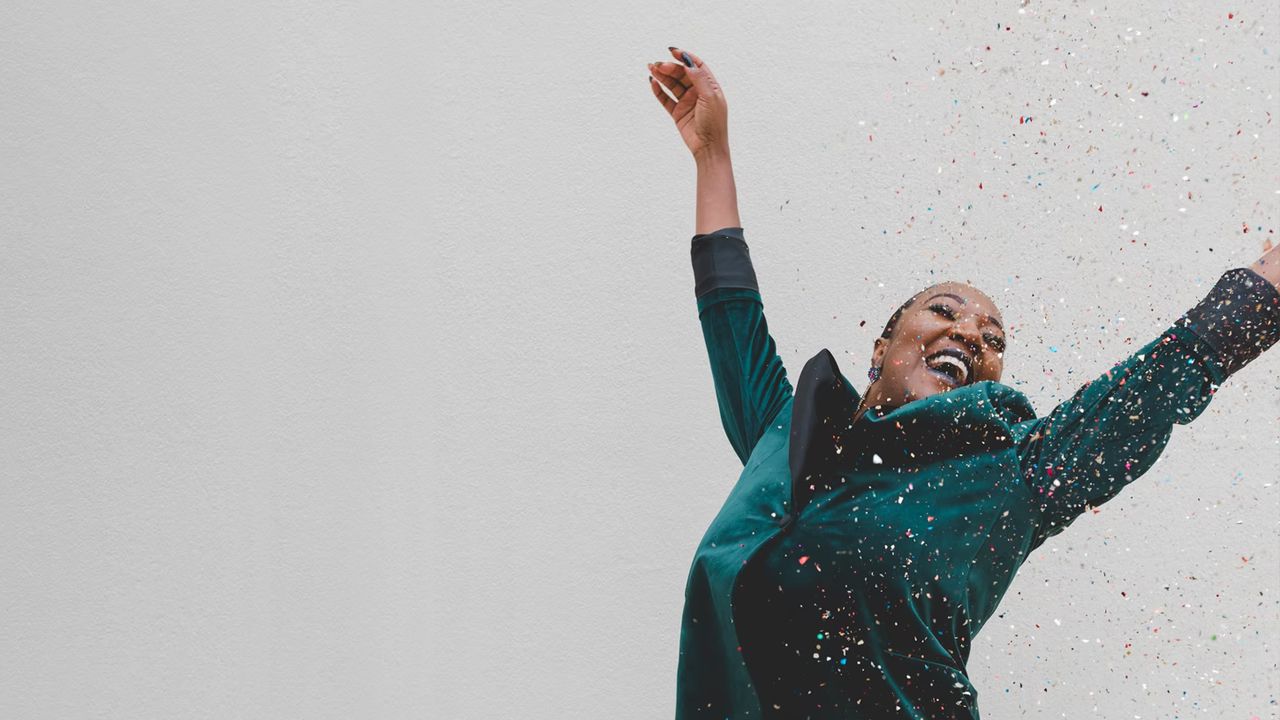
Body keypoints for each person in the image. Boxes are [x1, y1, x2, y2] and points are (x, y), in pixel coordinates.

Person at [648, 47, 1280, 718]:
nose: (971, 333)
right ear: (883, 346)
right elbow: (731, 310)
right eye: (944, 311)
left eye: (993, 339)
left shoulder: (1010, 477)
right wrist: (711, 154)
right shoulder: (782, 436)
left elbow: (1154, 384)